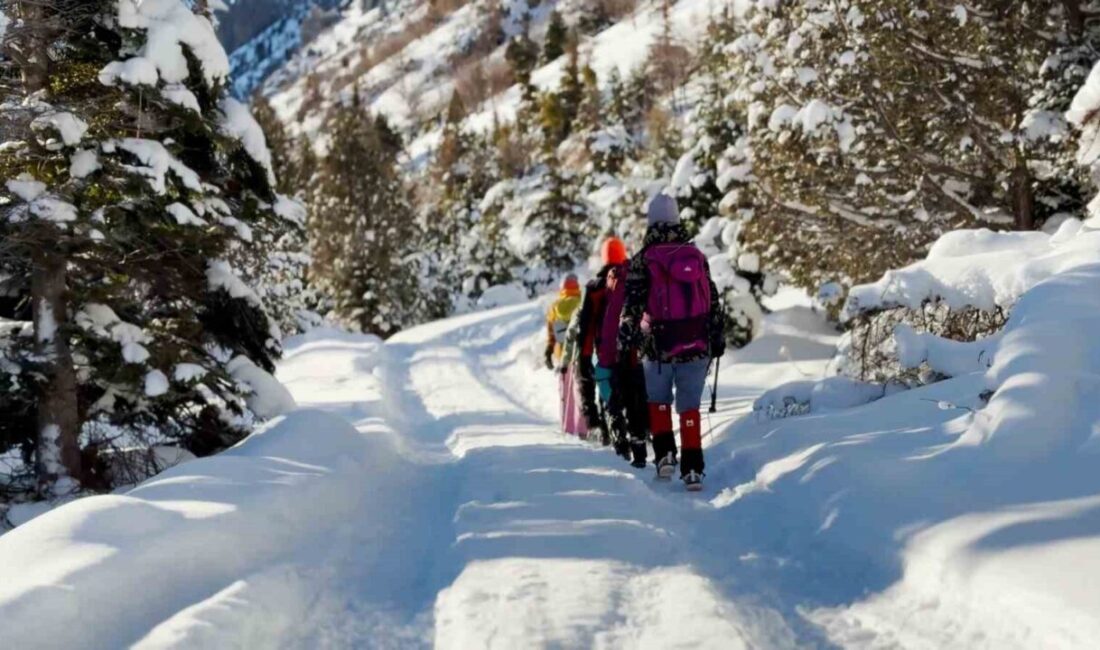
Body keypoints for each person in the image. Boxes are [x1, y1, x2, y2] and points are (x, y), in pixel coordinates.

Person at [618, 193, 725, 491]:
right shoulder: (695, 255)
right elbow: (712, 299)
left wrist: (628, 329)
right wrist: (716, 334)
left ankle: (665, 456)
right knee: (689, 405)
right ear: (678, 219)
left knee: (658, 398)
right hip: (698, 342)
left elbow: (635, 301)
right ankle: (693, 470)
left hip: (658, 345)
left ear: (651, 221)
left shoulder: (644, 257)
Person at [568, 237, 649, 467]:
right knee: (635, 399)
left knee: (611, 402)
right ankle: (641, 446)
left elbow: (587, 329)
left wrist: (585, 360)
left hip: (605, 355)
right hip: (633, 353)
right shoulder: (633, 278)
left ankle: (618, 445)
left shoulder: (595, 288)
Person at [545, 274, 587, 437]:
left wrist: (549, 351)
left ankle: (567, 427)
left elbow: (551, 333)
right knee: (580, 391)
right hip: (580, 355)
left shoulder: (555, 307)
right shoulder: (582, 304)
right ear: (576, 287)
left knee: (565, 394)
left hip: (562, 355)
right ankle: (583, 428)